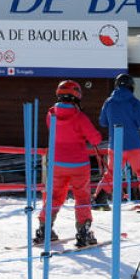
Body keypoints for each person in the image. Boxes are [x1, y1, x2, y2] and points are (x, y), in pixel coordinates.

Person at [38, 80, 104, 247]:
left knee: (53, 197)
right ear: (77, 96)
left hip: (57, 163)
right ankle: (83, 232)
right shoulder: (80, 117)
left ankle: (44, 228)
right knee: (81, 197)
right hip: (78, 165)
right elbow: (95, 138)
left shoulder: (50, 114)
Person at [94, 73, 140, 211]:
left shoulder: (109, 102)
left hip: (115, 145)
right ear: (132, 87)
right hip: (135, 145)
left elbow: (103, 122)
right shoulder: (135, 103)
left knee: (112, 173)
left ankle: (99, 200)